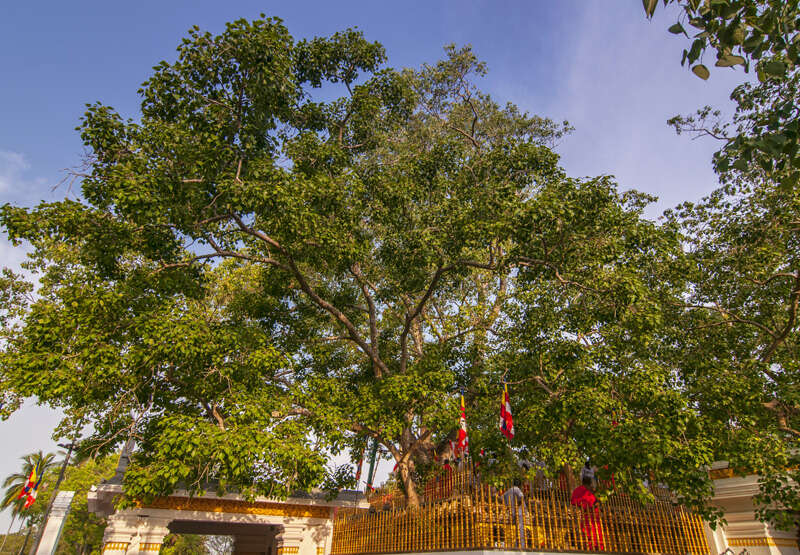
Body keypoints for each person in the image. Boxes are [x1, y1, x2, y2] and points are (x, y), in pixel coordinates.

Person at [570, 476, 604, 550]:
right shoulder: (580, 490)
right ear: (587, 484)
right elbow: (575, 502)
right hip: (586, 516)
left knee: (597, 534)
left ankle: (597, 547)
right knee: (589, 534)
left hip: (594, 516)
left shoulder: (589, 491)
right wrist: (590, 506)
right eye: (590, 484)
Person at [503, 478, 526, 549]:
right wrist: (518, 505)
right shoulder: (517, 489)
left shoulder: (508, 491)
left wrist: (509, 506)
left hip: (511, 511)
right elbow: (521, 497)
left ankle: (515, 544)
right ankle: (521, 545)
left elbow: (502, 498)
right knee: (520, 529)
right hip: (519, 511)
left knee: (514, 529)